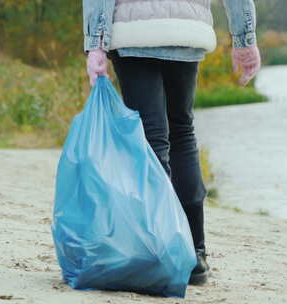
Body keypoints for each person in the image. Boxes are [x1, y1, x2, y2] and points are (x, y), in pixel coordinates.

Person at [82, 0, 261, 285]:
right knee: (181, 131)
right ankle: (195, 254)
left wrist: (96, 43)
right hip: (186, 30)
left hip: (133, 31)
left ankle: (162, 249)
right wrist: (244, 40)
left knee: (152, 137)